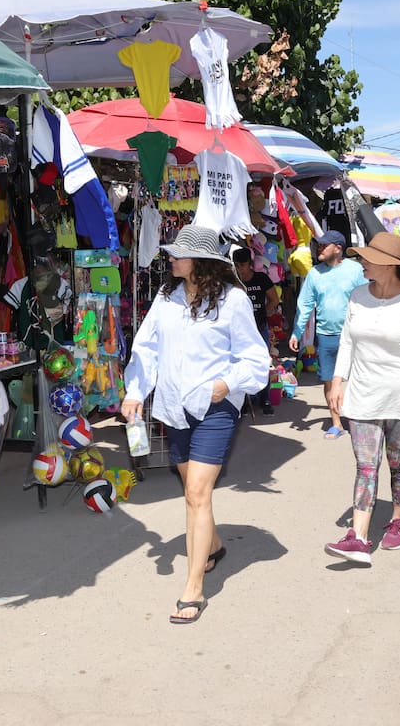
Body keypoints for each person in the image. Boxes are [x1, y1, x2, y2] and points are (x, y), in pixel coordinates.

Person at [122, 225, 270, 624]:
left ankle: (193, 589)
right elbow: (146, 346)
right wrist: (135, 392)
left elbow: (256, 359)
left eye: (177, 253)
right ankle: (215, 547)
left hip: (215, 408)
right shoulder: (167, 298)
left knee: (196, 494)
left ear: (201, 262)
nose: (170, 258)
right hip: (174, 407)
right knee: (193, 493)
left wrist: (227, 384)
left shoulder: (233, 301)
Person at [323, 231, 400, 565]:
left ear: (390, 265)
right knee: (365, 466)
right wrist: (338, 381)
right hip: (361, 395)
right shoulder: (358, 295)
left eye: (369, 258)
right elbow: (347, 343)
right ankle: (358, 537)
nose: (363, 262)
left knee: (398, 464)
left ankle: (398, 519)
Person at [288, 230, 366, 439]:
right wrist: (296, 332)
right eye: (318, 245)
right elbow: (304, 305)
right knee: (329, 379)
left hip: (354, 333)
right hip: (326, 335)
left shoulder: (356, 270)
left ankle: (359, 418)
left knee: (358, 376)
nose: (319, 248)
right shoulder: (315, 273)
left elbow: (368, 298)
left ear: (338, 248)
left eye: (324, 245)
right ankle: (336, 422)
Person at [233, 247, 279, 414]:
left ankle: (264, 399)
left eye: (243, 265)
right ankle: (245, 401)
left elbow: (274, 299)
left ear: (250, 264)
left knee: (263, 363)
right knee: (242, 364)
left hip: (259, 328)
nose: (240, 269)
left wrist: (262, 312)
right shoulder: (233, 281)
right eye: (237, 265)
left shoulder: (261, 279)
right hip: (240, 331)